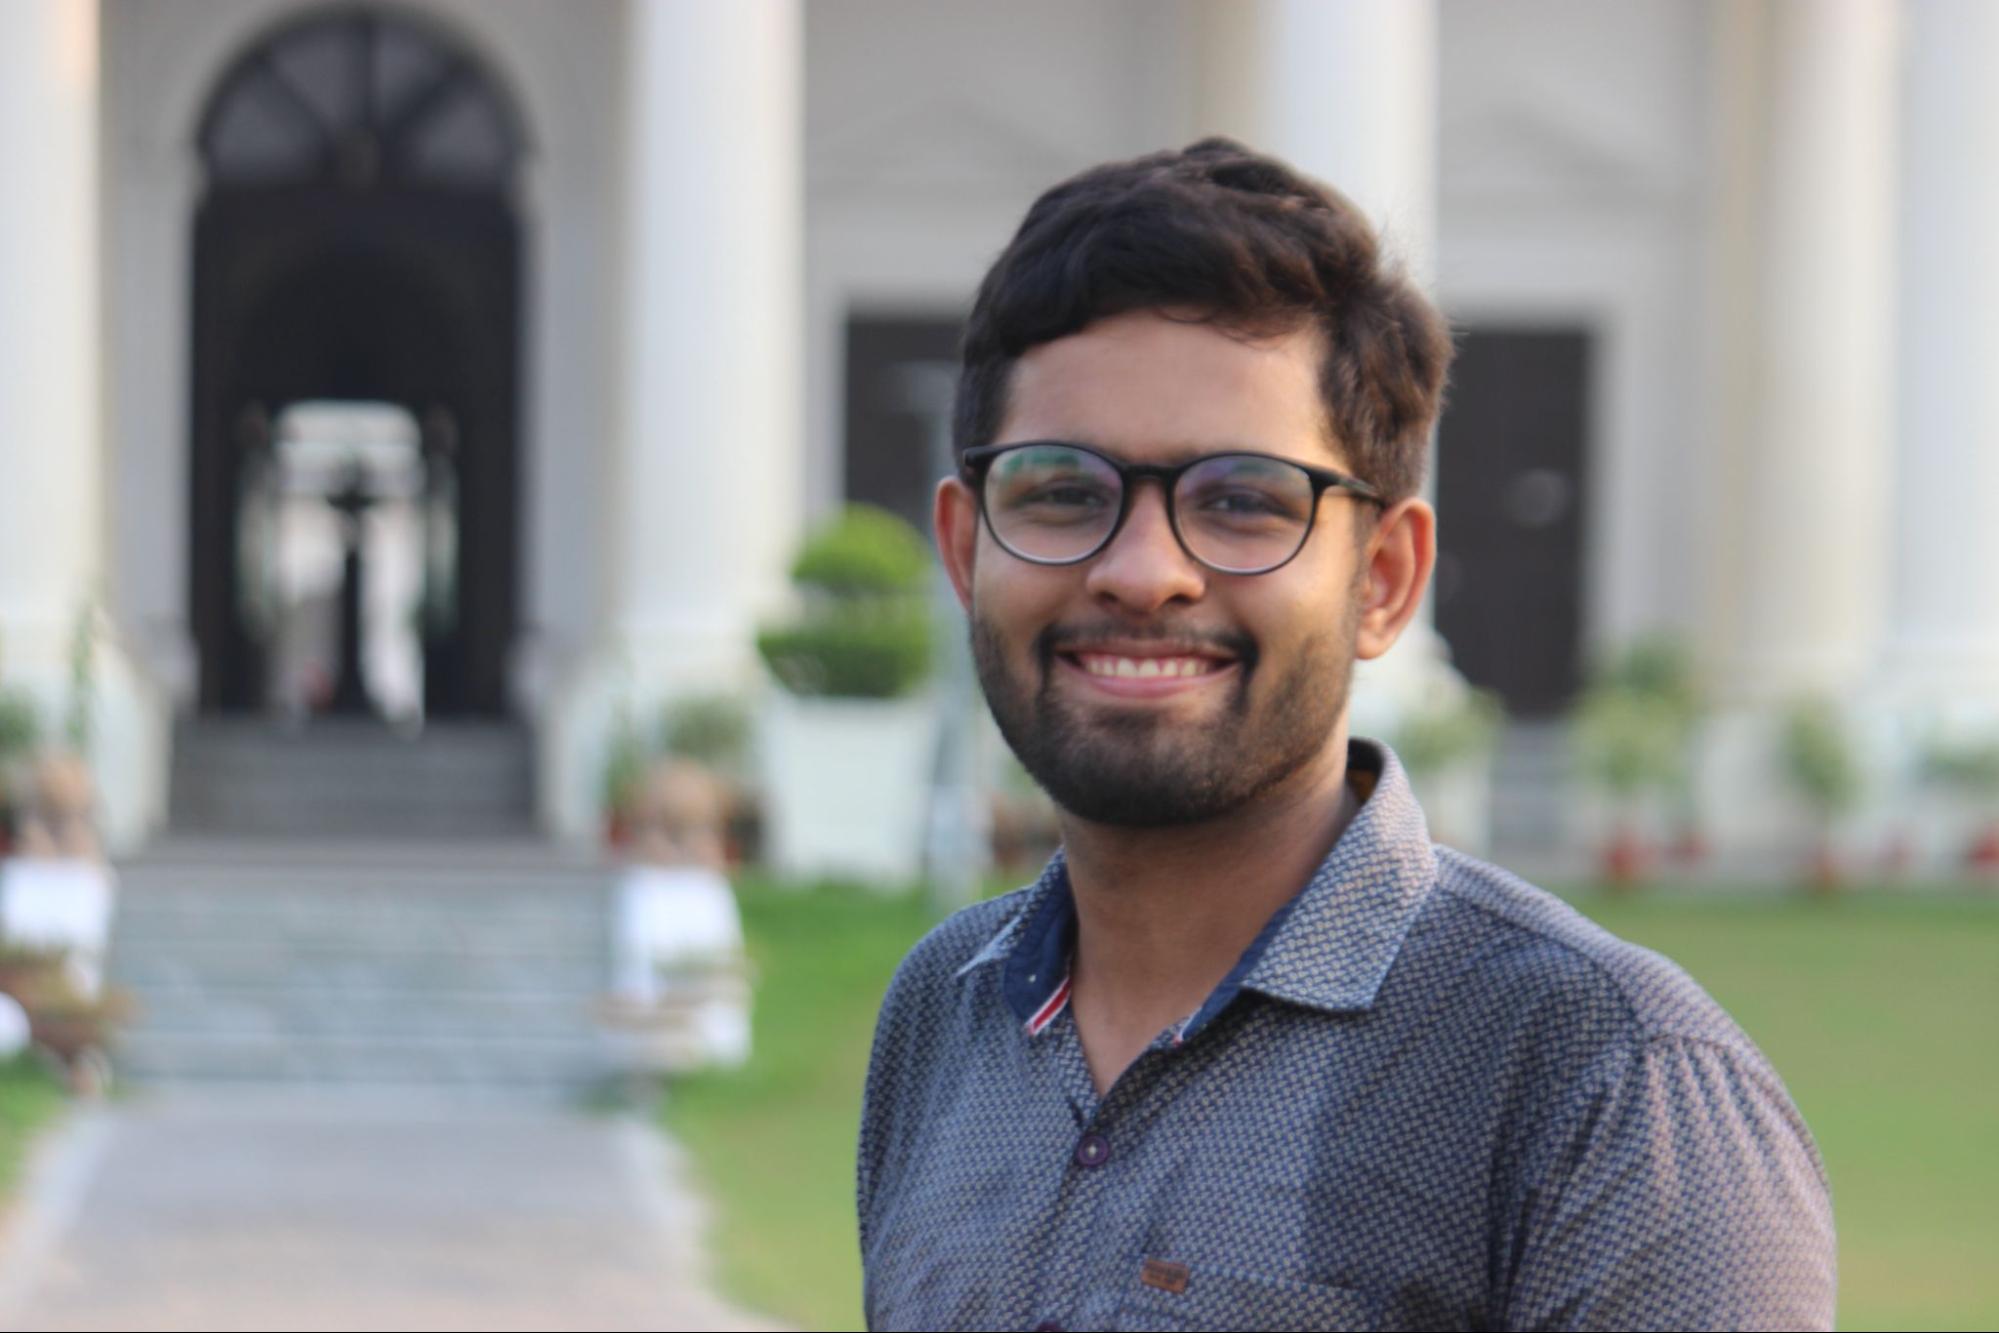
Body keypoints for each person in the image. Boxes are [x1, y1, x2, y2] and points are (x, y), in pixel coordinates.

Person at [856, 138, 1835, 1332]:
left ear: (1383, 579)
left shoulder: (1607, 1081)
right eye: (1062, 490)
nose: (1143, 571)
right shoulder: (944, 1014)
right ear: (966, 551)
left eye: (1241, 500)